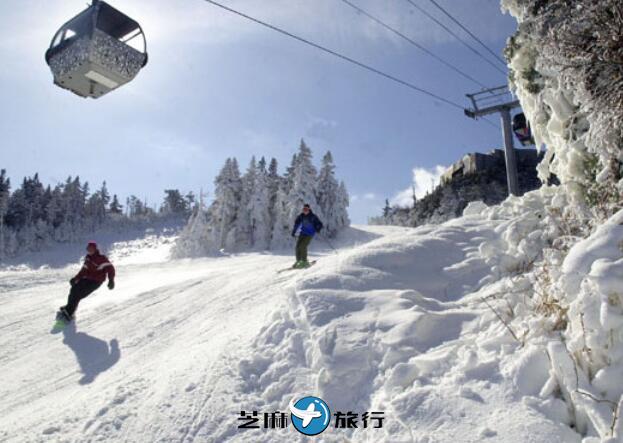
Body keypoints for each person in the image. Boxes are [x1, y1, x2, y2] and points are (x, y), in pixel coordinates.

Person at [58, 241, 115, 322]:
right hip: (87, 279)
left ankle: (70, 313)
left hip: (96, 281)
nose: (89, 251)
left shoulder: (101, 258)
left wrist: (111, 280)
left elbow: (110, 269)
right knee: (74, 289)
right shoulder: (88, 258)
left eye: (91, 249)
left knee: (79, 294)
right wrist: (75, 278)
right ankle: (68, 307)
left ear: (95, 249)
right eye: (88, 249)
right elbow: (83, 271)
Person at [291, 204, 323, 268]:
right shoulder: (301, 216)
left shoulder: (313, 216)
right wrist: (294, 232)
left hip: (309, 234)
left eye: (306, 209)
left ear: (309, 209)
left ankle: (304, 261)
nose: (305, 211)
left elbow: (320, 224)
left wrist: (318, 228)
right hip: (302, 233)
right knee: (297, 247)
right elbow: (296, 224)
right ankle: (299, 261)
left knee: (303, 246)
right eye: (304, 209)